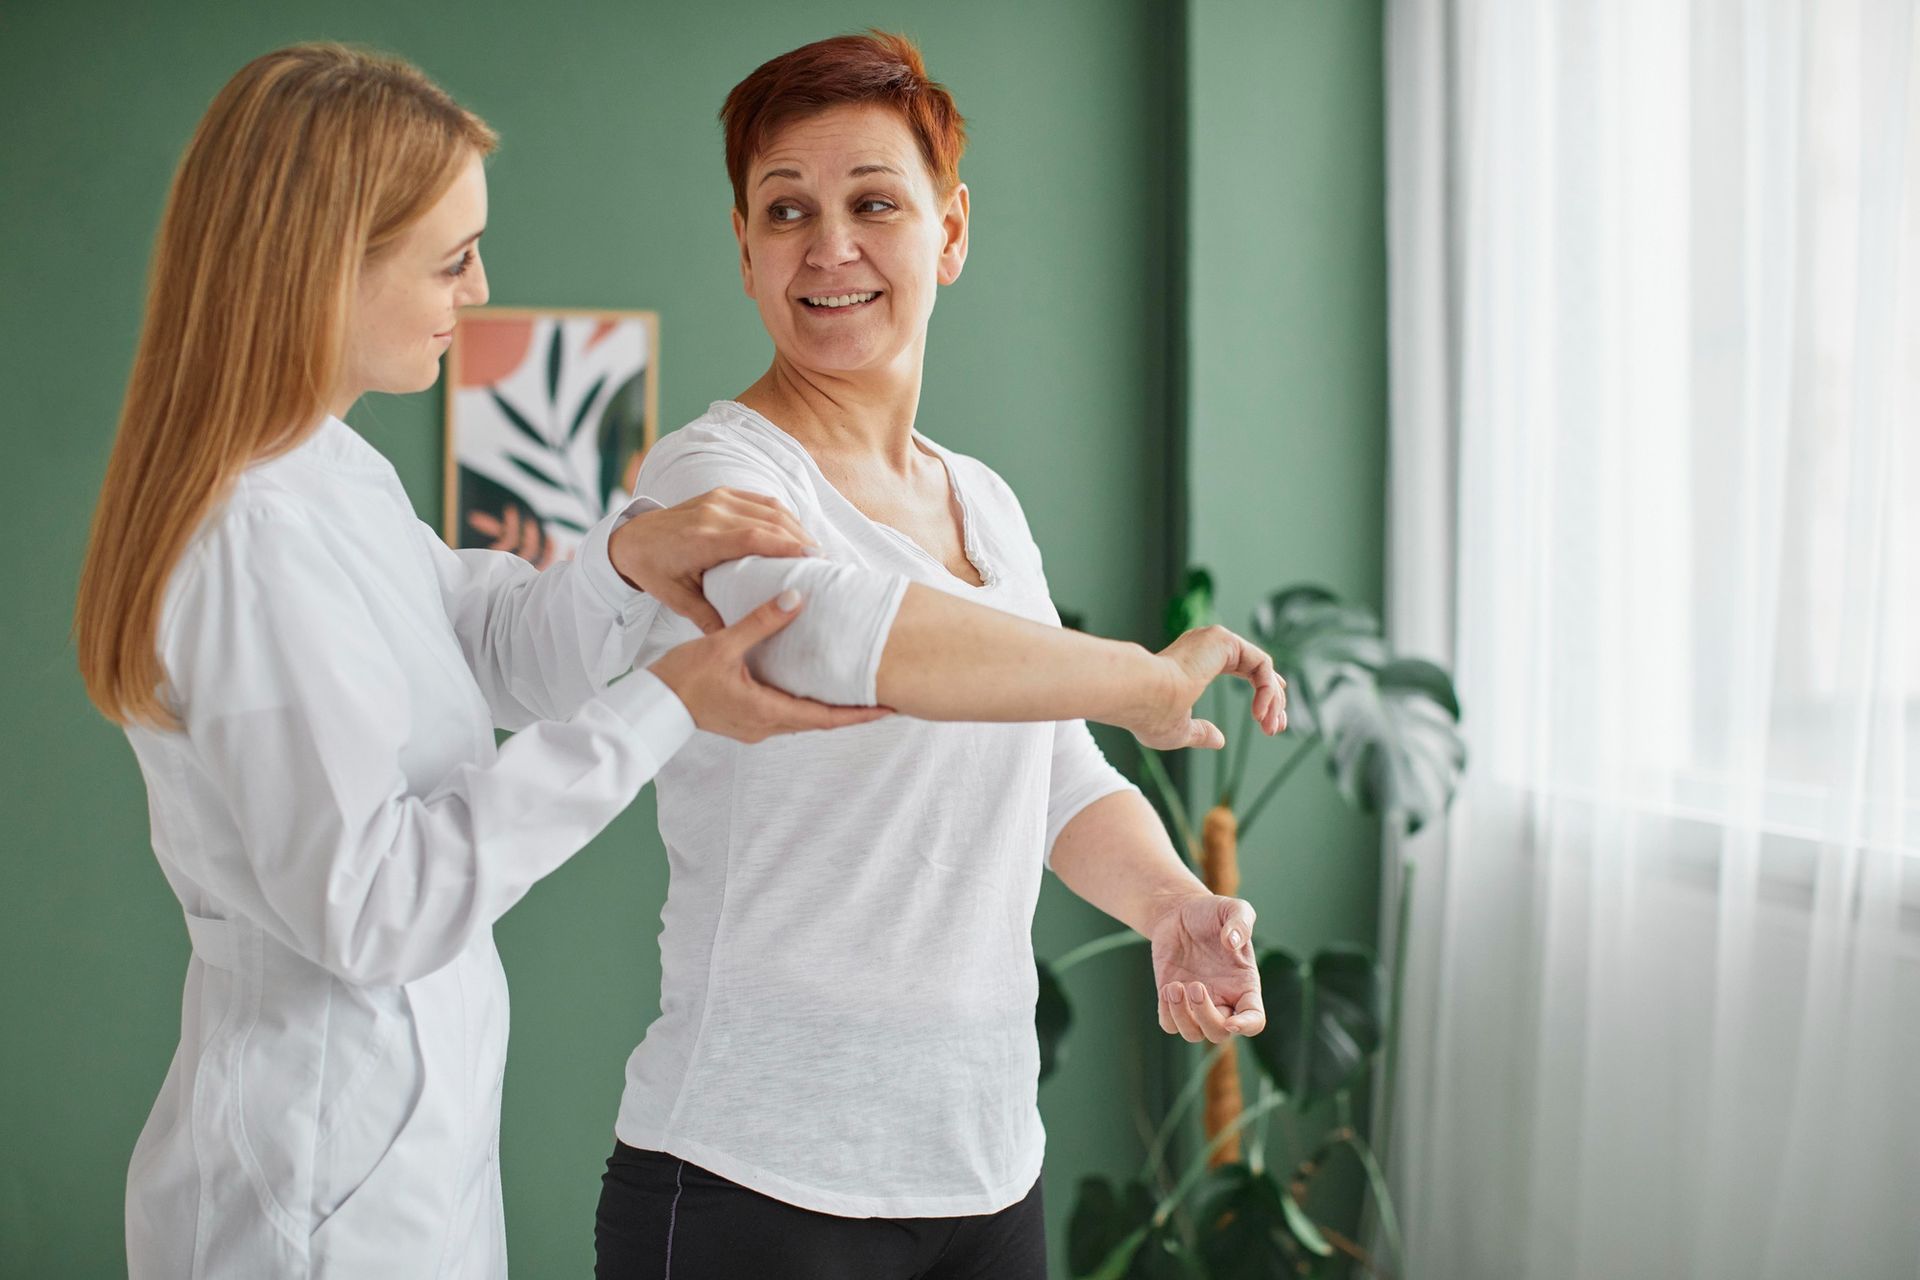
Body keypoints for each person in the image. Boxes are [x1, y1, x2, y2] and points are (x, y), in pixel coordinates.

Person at [72, 44, 891, 1278]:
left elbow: (481, 646)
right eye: (451, 258)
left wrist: (629, 561)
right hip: (312, 1184)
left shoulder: (332, 473)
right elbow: (373, 901)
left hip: (396, 1149)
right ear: (324, 268)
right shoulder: (250, 538)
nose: (482, 285)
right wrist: (664, 705)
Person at [592, 32, 1286, 1280]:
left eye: (874, 203)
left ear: (950, 231)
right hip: (753, 1180)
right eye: (786, 210)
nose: (829, 246)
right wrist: (1142, 677)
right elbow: (843, 640)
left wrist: (1173, 904)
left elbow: (1055, 771)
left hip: (981, 1172)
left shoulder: (985, 505)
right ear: (744, 249)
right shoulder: (715, 473)